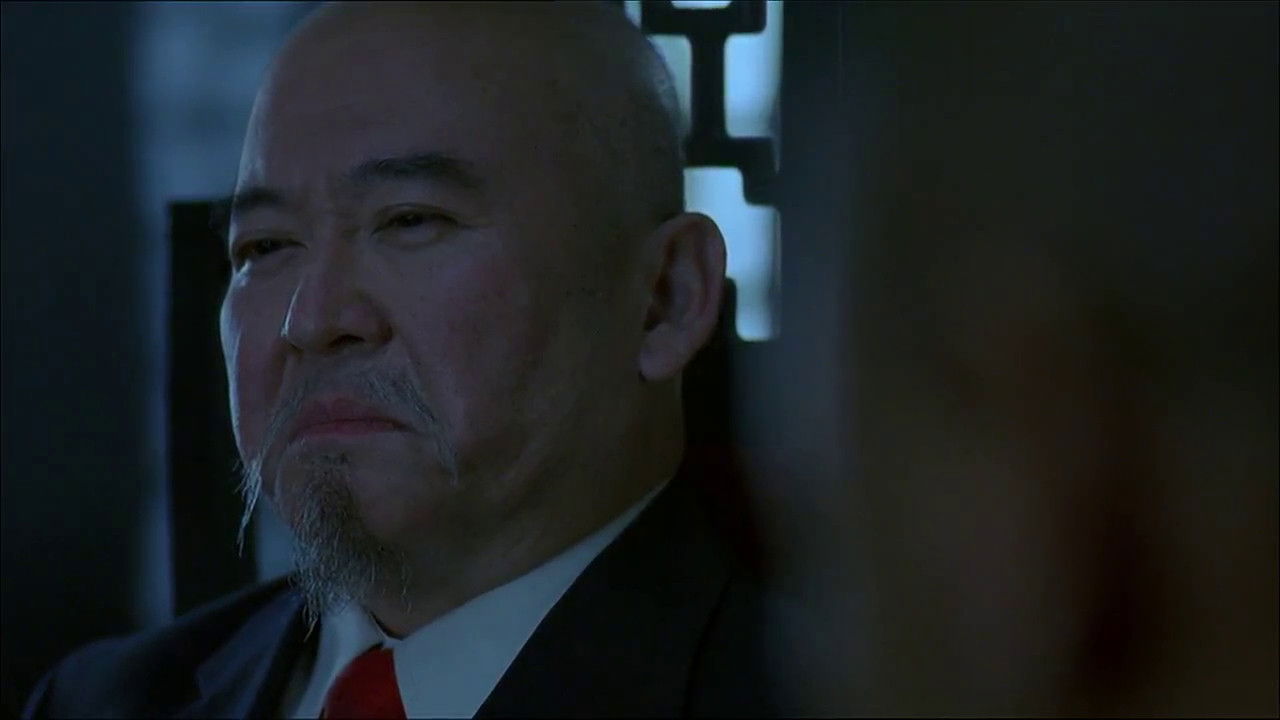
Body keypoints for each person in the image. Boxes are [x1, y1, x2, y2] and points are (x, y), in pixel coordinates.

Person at [23, 2, 775, 716]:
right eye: (266, 246)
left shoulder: (811, 687)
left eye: (411, 221)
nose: (311, 322)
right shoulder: (102, 701)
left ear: (665, 297)